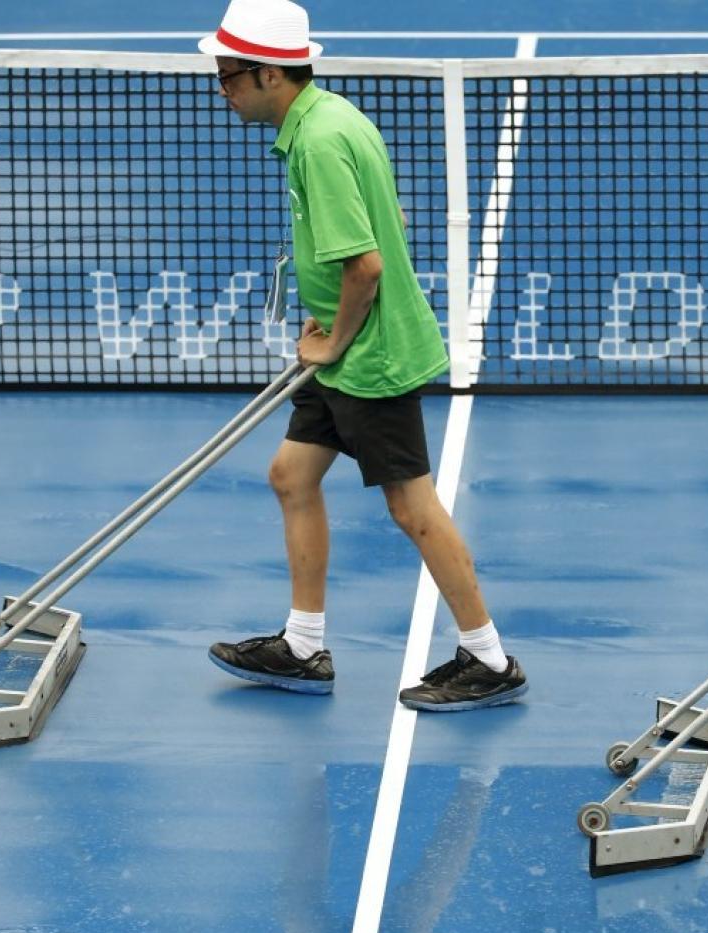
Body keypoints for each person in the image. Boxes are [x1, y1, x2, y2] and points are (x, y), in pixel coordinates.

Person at [197, 0, 527, 711]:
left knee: (412, 508)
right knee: (291, 475)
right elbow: (389, 218)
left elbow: (367, 266)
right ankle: (304, 646)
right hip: (344, 341)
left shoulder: (317, 143)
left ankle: (489, 659)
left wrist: (334, 340)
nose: (220, 90)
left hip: (366, 354)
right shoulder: (330, 117)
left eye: (227, 77)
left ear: (268, 76)